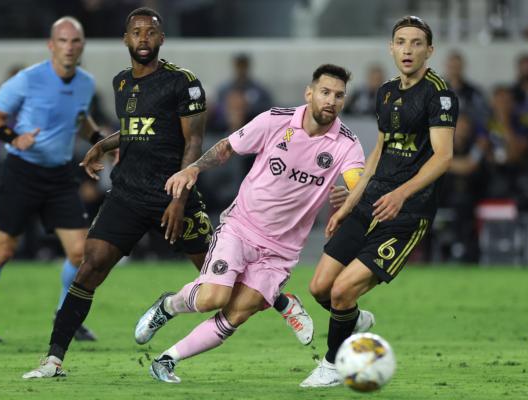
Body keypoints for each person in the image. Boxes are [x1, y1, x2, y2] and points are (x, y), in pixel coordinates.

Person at [22, 6, 313, 380]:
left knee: (221, 285)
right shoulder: (121, 83)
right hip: (126, 195)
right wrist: (104, 145)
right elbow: (138, 130)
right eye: (137, 33)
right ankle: (52, 360)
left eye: (151, 32)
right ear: (126, 39)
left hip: (174, 196)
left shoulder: (184, 83)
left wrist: (178, 199)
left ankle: (284, 301)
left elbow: (192, 144)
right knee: (89, 266)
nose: (144, 39)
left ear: (161, 39)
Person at [134, 63, 366, 384]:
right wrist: (194, 170)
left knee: (236, 314)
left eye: (339, 96)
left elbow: (358, 182)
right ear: (309, 93)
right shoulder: (277, 120)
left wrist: (351, 199)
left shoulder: (346, 143)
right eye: (325, 92)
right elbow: (228, 147)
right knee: (213, 298)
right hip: (241, 227)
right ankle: (168, 305)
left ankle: (166, 360)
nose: (331, 100)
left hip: (281, 251)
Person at [300, 16, 458, 387]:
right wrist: (349, 203)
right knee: (320, 287)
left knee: (341, 291)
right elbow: (377, 154)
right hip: (371, 200)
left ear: (429, 50)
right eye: (401, 42)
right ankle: (353, 320)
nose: (408, 49)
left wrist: (401, 194)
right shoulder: (385, 91)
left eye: (417, 43)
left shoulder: (440, 94)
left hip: (407, 211)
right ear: (391, 48)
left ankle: (334, 364)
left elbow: (443, 156)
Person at [0, 17, 101, 342]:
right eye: (63, 41)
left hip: (58, 175)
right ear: (51, 45)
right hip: (22, 171)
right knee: (3, 249)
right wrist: (13, 138)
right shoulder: (27, 80)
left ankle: (64, 314)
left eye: (75, 41)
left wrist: (99, 140)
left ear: (82, 46)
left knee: (80, 251)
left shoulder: (85, 82)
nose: (69, 47)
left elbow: (80, 118)